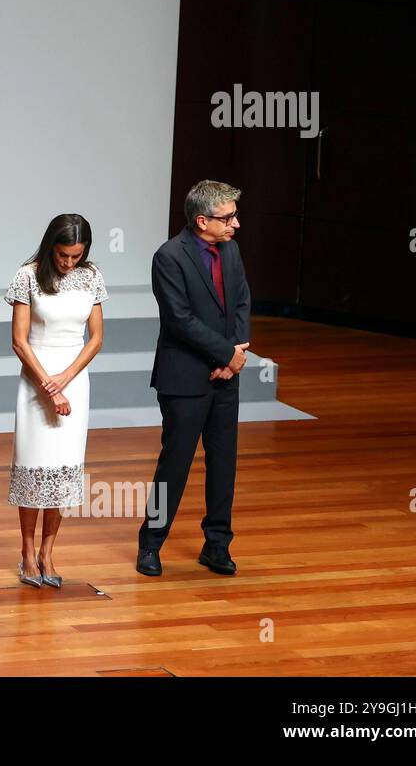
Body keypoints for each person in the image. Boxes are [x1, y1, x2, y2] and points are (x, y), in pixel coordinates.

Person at [137, 180, 250, 578]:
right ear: (202, 221)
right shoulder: (169, 256)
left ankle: (217, 545)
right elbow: (179, 319)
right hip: (184, 377)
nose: (236, 224)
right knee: (175, 463)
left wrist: (236, 353)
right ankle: (150, 544)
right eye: (228, 217)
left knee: (224, 463)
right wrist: (226, 355)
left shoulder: (231, 250)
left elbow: (241, 301)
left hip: (226, 375)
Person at [5, 214, 107, 589]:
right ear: (51, 247)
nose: (68, 263)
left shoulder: (92, 276)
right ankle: (27, 552)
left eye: (76, 256)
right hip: (36, 381)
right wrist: (49, 384)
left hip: (75, 381)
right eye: (63, 255)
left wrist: (66, 379)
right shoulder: (27, 275)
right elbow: (19, 340)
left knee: (64, 468)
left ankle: (49, 551)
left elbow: (95, 338)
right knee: (34, 465)